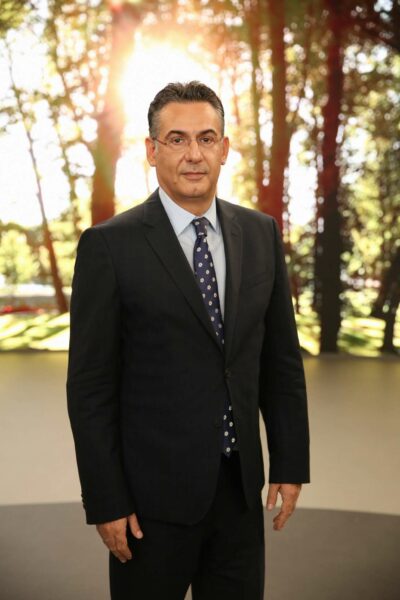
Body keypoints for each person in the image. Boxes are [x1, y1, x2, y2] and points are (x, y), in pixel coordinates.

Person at [67, 81, 310, 600]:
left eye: (206, 138)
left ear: (225, 148)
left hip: (240, 496)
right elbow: (90, 388)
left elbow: (281, 363)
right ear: (152, 151)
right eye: (177, 139)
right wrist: (106, 499)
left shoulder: (261, 234)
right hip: (148, 507)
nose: (194, 154)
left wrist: (290, 463)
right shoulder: (109, 246)